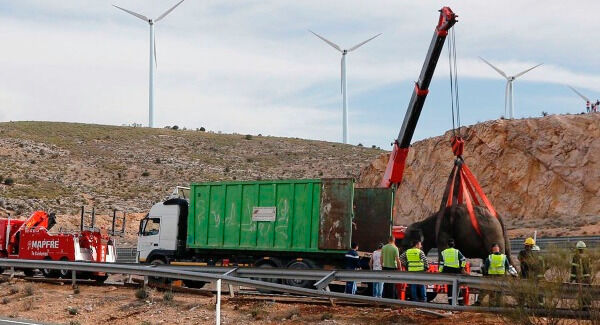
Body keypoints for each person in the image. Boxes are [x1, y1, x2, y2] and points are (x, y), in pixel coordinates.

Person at [439, 239, 466, 304]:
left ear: (447, 245)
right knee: (457, 287)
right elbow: (463, 259)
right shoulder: (457, 251)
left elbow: (442, 263)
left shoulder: (443, 252)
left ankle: (451, 303)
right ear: (454, 245)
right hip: (456, 271)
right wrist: (462, 268)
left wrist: (440, 272)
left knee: (450, 287)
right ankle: (460, 303)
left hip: (447, 272)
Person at [570, 241, 591, 310]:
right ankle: (587, 307)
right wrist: (589, 278)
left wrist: (571, 279)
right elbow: (589, 268)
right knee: (587, 292)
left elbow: (573, 269)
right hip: (587, 279)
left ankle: (581, 307)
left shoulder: (576, 257)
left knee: (580, 292)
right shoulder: (587, 257)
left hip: (579, 279)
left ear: (577, 249)